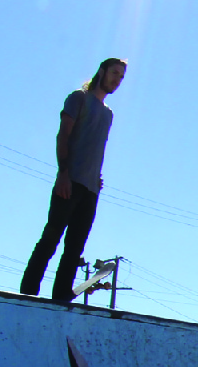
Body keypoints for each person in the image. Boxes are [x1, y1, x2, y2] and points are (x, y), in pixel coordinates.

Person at [21, 58, 127, 302]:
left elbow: (95, 147)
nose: (117, 80)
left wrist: (96, 177)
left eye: (121, 77)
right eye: (114, 73)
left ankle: (60, 294)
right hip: (69, 181)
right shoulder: (78, 98)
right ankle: (27, 293)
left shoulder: (108, 114)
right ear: (102, 72)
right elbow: (63, 135)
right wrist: (63, 173)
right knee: (51, 238)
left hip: (90, 190)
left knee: (75, 247)